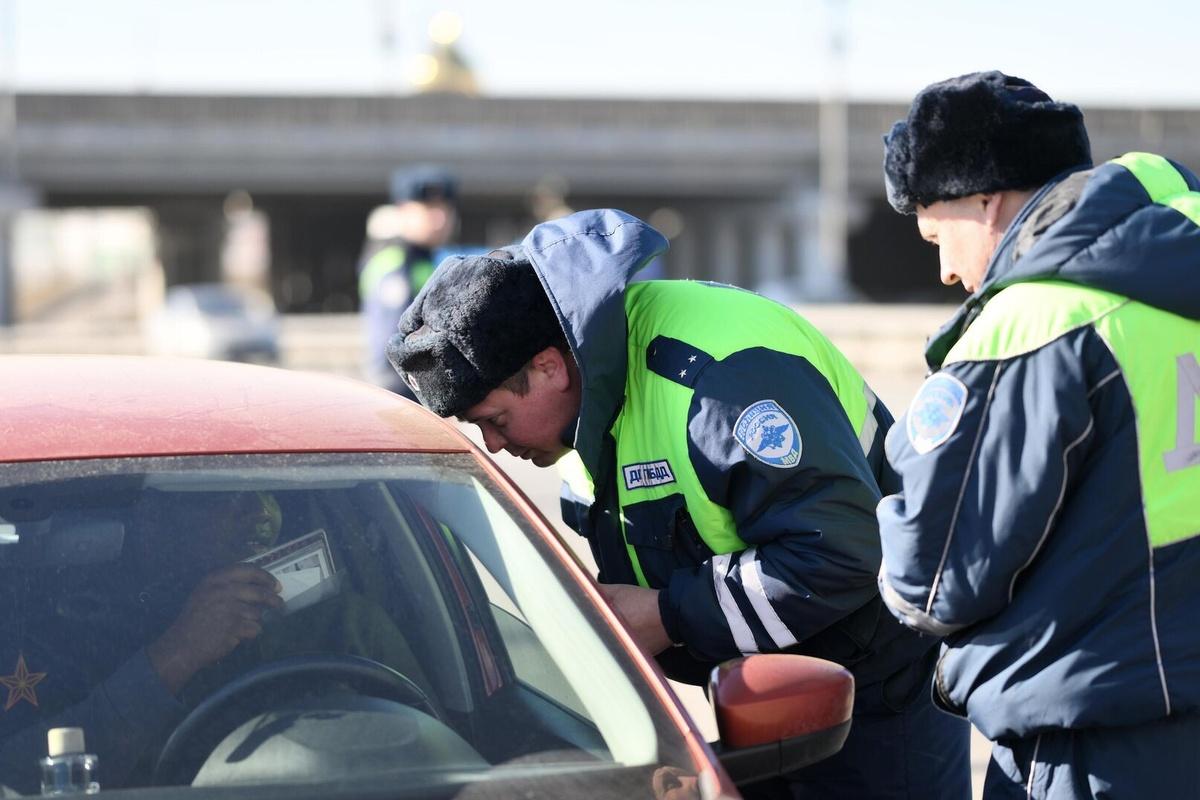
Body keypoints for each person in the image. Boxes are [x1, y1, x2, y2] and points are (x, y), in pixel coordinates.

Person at [386, 208, 971, 798]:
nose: (492, 444)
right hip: (759, 689)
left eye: (496, 419)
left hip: (876, 697)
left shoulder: (717, 386)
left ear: (548, 367)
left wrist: (668, 614)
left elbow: (842, 555)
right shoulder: (583, 410)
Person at [876, 70, 1200, 799]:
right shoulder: (1174, 275)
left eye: (938, 235)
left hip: (1095, 740)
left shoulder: (1034, 325)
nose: (947, 270)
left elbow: (931, 580)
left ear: (985, 199)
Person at [0, 490, 427, 792]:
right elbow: (23, 778)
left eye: (266, 493)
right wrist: (178, 652)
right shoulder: (64, 635)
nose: (259, 511)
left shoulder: (345, 623)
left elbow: (434, 747)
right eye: (226, 497)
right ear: (153, 521)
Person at [357, 164, 458, 398]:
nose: (440, 218)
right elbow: (390, 348)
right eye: (429, 209)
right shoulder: (394, 263)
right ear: (402, 211)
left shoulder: (429, 258)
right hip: (399, 393)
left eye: (445, 209)